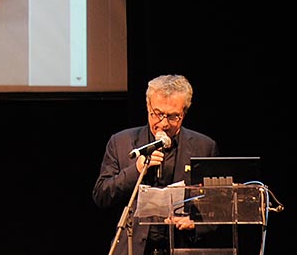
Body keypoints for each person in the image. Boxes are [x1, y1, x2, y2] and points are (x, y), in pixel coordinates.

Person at [93, 74, 220, 255]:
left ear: (183, 114)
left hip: (182, 246)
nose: (164, 123)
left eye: (173, 116)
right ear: (148, 107)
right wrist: (136, 170)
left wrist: (196, 223)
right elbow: (101, 195)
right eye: (158, 114)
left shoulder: (204, 147)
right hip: (133, 248)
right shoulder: (121, 142)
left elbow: (218, 206)